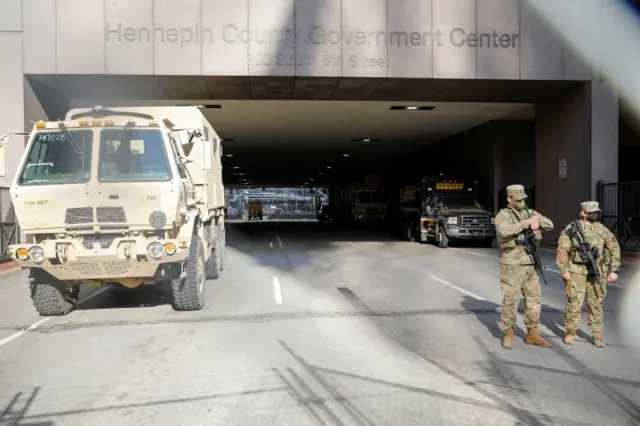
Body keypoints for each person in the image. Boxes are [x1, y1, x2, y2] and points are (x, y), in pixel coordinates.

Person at [494, 184, 554, 349]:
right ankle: (508, 332)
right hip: (512, 262)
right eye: (518, 200)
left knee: (533, 299)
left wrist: (537, 220)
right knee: (510, 299)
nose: (522, 202)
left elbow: (550, 225)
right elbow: (504, 231)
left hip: (530, 261)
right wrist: (526, 223)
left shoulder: (531, 212)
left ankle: (532, 333)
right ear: (509, 199)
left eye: (523, 199)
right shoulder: (502, 215)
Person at [556, 201, 621, 347]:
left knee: (596, 304)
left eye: (597, 212)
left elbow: (614, 247)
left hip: (597, 272)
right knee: (574, 303)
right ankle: (570, 332)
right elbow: (562, 249)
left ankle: (597, 335)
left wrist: (614, 269)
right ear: (583, 213)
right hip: (576, 271)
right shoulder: (572, 228)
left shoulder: (602, 229)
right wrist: (563, 270)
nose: (595, 215)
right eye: (591, 213)